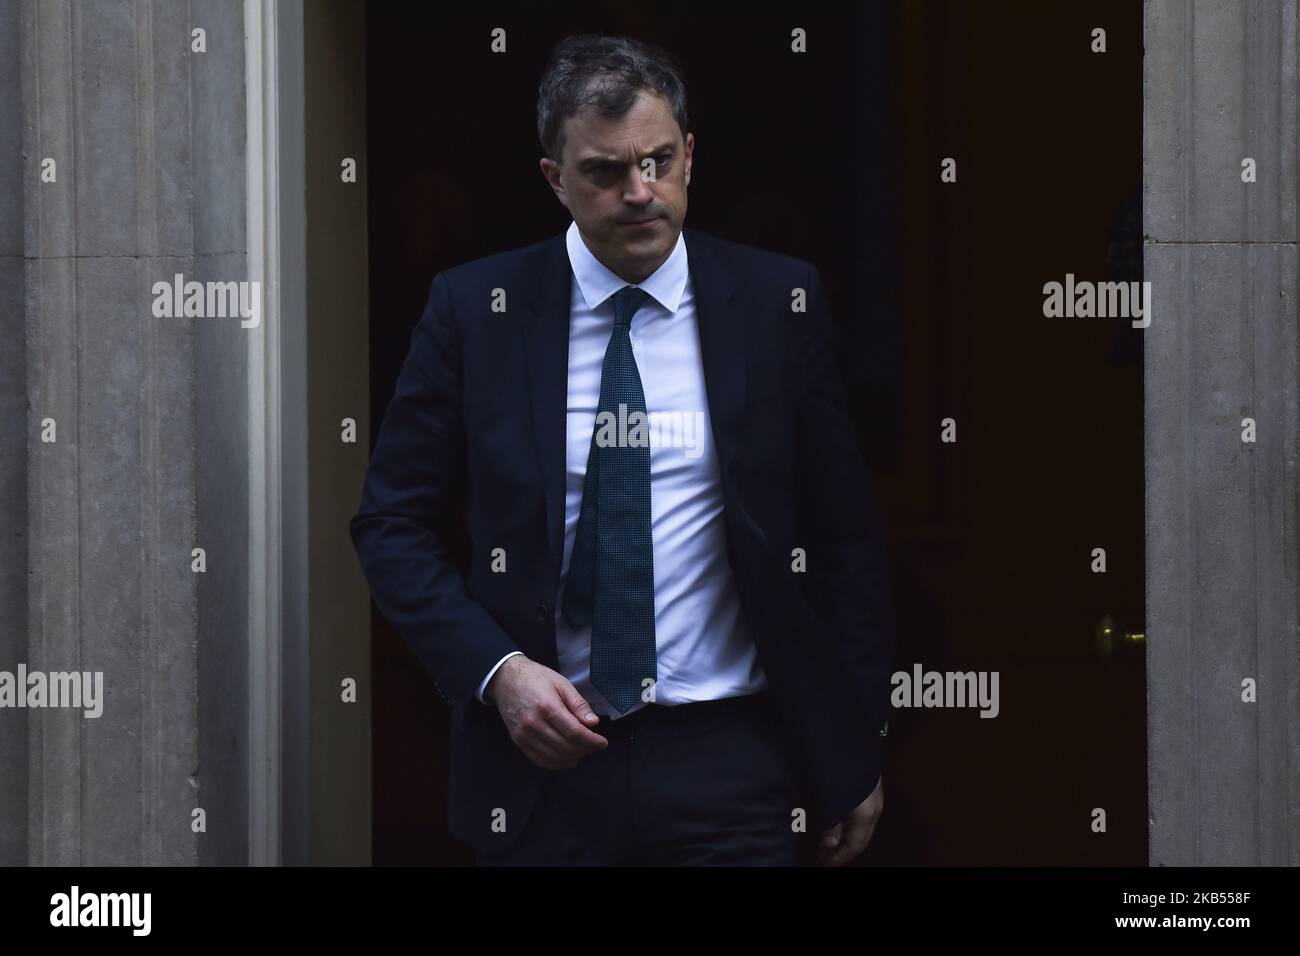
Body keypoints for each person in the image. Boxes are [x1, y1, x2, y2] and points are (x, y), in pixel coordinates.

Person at [350, 33, 895, 866]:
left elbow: (848, 535)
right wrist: (499, 673)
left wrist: (854, 744)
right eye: (605, 171)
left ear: (690, 156)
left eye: (659, 161)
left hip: (735, 762)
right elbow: (392, 524)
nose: (640, 193)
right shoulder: (475, 311)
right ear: (554, 179)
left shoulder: (777, 304)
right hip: (539, 766)